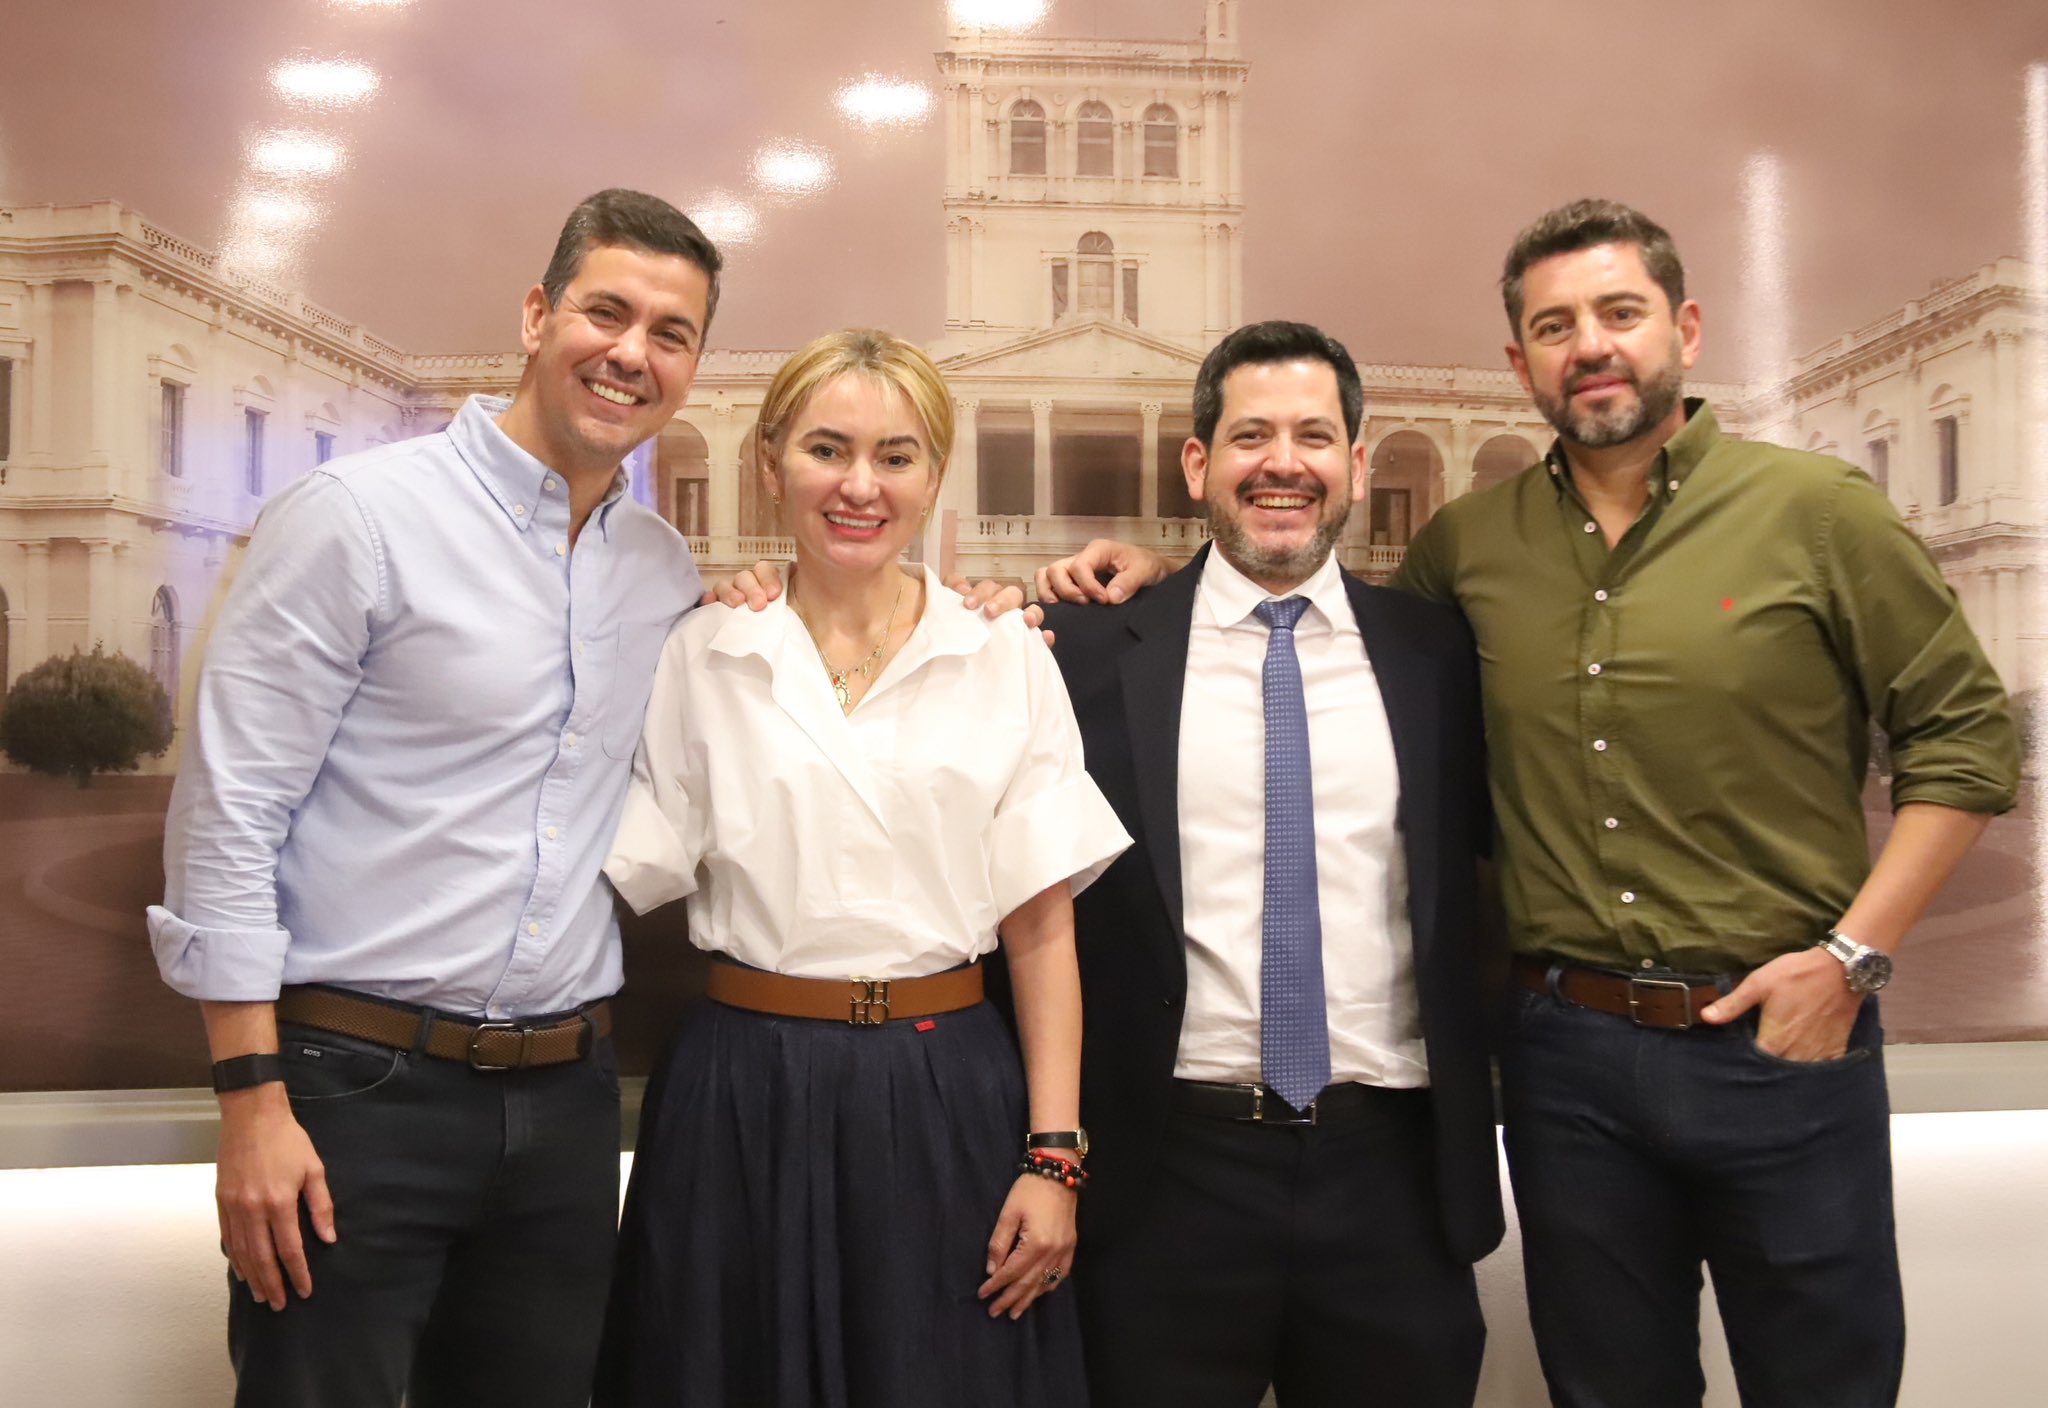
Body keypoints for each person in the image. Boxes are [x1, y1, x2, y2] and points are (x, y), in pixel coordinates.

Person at [1038, 202, 2021, 1408]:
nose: (1588, 345)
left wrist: (1850, 957)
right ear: (1520, 362)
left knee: (1823, 1381)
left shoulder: (1813, 513)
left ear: (1686, 327)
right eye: (1553, 325)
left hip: (1769, 1042)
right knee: (1607, 1385)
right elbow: (1262, 591)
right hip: (1555, 1068)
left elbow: (1967, 739)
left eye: (1618, 312)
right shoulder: (1467, 554)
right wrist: (1135, 581)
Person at [147, 188, 722, 1408]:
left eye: (671, 333)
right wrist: (250, 1099)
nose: (632, 352)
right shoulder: (360, 519)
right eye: (605, 311)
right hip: (353, 1093)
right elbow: (227, 815)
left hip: (565, 1106)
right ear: (535, 313)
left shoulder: (659, 570)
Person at [595, 328, 1131, 1408]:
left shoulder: (1004, 654)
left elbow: (1040, 929)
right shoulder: (702, 652)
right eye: (826, 449)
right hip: (740, 1094)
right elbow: (619, 870)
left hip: (946, 1092)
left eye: (894, 456)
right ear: (770, 461)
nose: (858, 485)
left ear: (934, 475)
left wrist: (1054, 1157)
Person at [1033, 321, 1502, 1408]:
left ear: (1352, 460)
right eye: (1250, 435)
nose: (1282, 462)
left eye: (1312, 435)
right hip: (1165, 1180)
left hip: (1390, 1177)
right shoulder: (1090, 650)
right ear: (1198, 464)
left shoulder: (1436, 656)